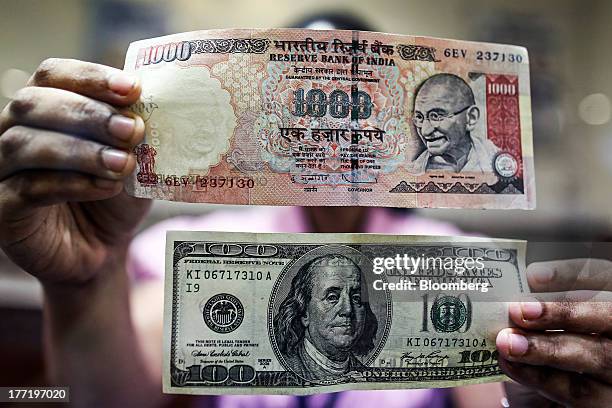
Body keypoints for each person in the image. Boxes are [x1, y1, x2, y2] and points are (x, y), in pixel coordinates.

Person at [0, 14, 610, 408]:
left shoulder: (448, 254)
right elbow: (105, 402)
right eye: (304, 96)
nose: (330, 121)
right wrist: (85, 281)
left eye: (355, 100)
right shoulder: (197, 243)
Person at [274, 254, 376, 381]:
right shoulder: (286, 370)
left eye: (356, 298)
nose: (348, 309)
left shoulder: (368, 376)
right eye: (332, 297)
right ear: (304, 312)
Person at [408, 73, 499, 173]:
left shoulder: (496, 160)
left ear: (471, 118)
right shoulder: (410, 172)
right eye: (419, 117)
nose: (425, 131)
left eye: (436, 116)